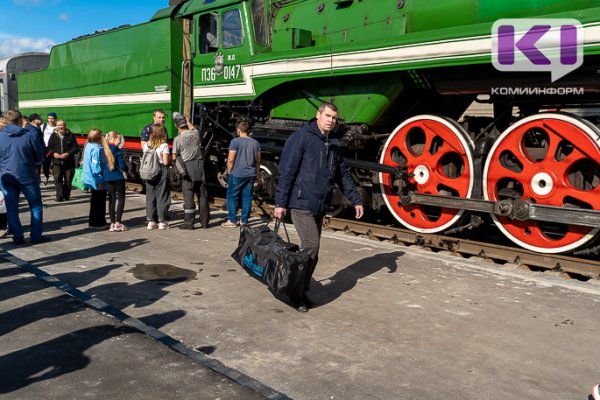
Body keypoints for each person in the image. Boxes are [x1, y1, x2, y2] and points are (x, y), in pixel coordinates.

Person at [274, 102, 364, 312]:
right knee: (310, 246)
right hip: (301, 202)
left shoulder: (333, 143)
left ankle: (301, 287)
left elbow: (343, 174)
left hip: (320, 204)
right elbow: (287, 171)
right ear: (318, 115)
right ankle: (294, 294)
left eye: (334, 118)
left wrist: (356, 199)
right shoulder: (301, 138)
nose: (331, 121)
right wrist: (280, 203)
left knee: (313, 251)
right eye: (328, 116)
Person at [0, 109, 48, 245]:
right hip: (27, 175)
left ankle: (17, 236)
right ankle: (36, 236)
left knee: (11, 207)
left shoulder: (0, 137)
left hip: (7, 176)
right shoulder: (29, 136)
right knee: (36, 205)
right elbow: (39, 156)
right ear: (20, 120)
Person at [172, 112, 209, 230]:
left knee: (189, 197)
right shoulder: (196, 134)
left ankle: (189, 223)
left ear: (176, 126)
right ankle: (205, 222)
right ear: (185, 124)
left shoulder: (178, 139)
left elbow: (174, 157)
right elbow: (192, 127)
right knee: (202, 196)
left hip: (187, 170)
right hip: (199, 167)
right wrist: (188, 120)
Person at [222, 120, 260, 227]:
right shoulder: (256, 143)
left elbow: (230, 159)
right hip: (250, 174)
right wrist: (257, 175)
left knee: (232, 196)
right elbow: (258, 161)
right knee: (247, 197)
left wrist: (229, 172)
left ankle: (232, 220)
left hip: (237, 173)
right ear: (248, 131)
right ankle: (244, 221)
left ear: (238, 130)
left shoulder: (235, 142)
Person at [82, 128, 115, 229]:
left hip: (89, 177)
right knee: (99, 201)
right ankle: (98, 222)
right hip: (96, 179)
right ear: (99, 138)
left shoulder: (88, 146)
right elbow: (96, 167)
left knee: (94, 200)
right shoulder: (97, 149)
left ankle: (94, 221)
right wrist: (100, 180)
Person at [144, 124, 171, 230]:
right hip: (160, 171)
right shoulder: (164, 146)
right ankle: (162, 221)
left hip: (149, 171)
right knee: (162, 196)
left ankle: (151, 221)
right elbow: (165, 161)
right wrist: (169, 160)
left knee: (150, 196)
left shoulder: (147, 145)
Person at [47, 120, 79, 202]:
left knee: (68, 180)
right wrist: (54, 153)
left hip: (68, 162)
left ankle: (66, 194)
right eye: (59, 125)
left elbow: (75, 148)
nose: (60, 127)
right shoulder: (53, 135)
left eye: (62, 125)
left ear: (65, 126)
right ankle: (59, 196)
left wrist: (68, 154)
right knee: (57, 179)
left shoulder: (71, 136)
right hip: (56, 162)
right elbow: (50, 147)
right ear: (56, 126)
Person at [105, 131, 128, 232]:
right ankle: (118, 222)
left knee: (111, 199)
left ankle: (112, 223)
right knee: (121, 198)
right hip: (118, 178)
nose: (120, 141)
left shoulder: (103, 150)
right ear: (114, 139)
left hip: (107, 178)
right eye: (119, 139)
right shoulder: (118, 151)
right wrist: (126, 168)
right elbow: (122, 166)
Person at [40, 111, 57, 185]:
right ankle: (46, 176)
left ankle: (57, 177)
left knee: (56, 163)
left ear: (55, 119)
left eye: (52, 118)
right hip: (46, 148)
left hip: (55, 148)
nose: (50, 120)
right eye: (49, 118)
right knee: (45, 164)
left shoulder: (57, 127)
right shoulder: (43, 126)